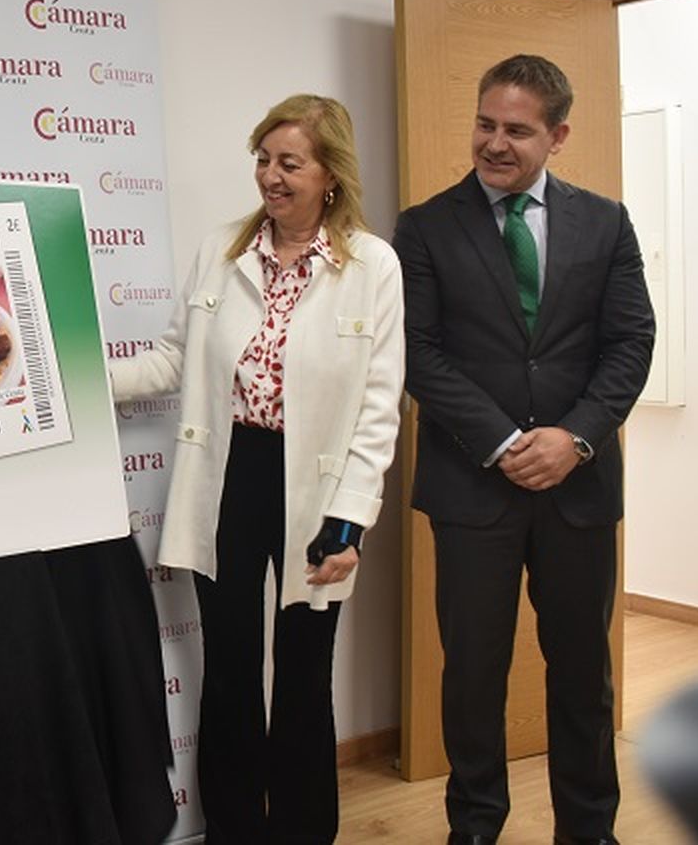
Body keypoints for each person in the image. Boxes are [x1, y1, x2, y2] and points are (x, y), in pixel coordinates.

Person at [110, 94, 404, 843]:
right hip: (230, 476)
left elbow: (378, 403)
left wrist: (350, 518)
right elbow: (176, 357)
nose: (271, 176)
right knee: (231, 667)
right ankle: (235, 828)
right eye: (264, 159)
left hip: (317, 485)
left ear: (330, 174)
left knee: (304, 670)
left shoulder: (371, 265)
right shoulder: (223, 249)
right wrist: (78, 376)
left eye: (290, 163)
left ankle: (305, 831)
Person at [393, 54, 654, 845]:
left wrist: (575, 437)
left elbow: (630, 342)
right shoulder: (425, 225)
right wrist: (506, 440)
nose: (494, 143)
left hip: (577, 489)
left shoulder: (606, 221)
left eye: (516, 130)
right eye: (485, 124)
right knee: (473, 673)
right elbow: (417, 350)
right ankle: (474, 826)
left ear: (558, 135)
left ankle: (589, 827)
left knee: (582, 674)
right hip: (473, 488)